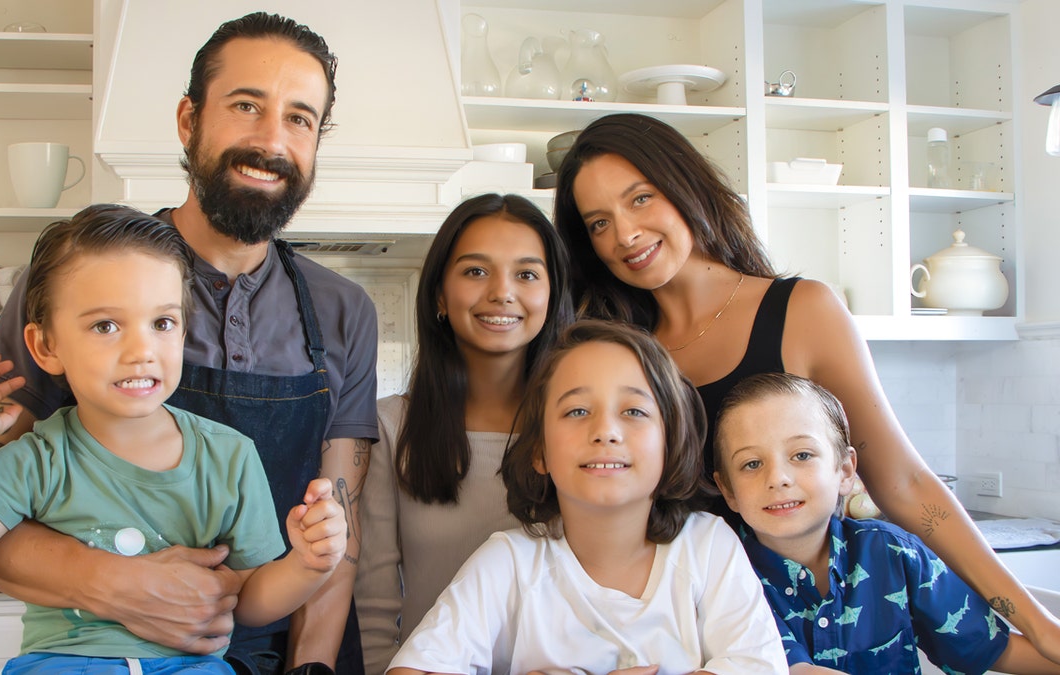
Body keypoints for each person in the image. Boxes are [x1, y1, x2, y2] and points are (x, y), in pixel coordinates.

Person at [552, 112, 1060, 661]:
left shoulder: (804, 310)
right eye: (598, 223)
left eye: (641, 198)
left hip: (816, 628)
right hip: (678, 632)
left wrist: (1040, 624)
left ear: (684, 185)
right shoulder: (615, 351)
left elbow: (906, 482)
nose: (625, 234)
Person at [0, 12, 378, 675]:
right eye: (247, 106)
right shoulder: (81, 280)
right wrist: (117, 583)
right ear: (189, 121)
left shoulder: (342, 311)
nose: (272, 140)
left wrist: (310, 669)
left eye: (300, 118)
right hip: (108, 652)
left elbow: (340, 529)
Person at [0, 205, 347, 674]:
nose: (140, 351)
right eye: (105, 326)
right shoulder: (37, 460)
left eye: (162, 323)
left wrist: (306, 566)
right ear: (46, 347)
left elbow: (247, 601)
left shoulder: (229, 456)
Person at [387, 319, 787, 675]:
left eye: (633, 411)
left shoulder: (707, 546)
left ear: (671, 444)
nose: (606, 431)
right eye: (577, 411)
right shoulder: (509, 563)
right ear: (540, 451)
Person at [354, 193, 573, 675]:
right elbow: (374, 608)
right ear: (438, 294)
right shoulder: (391, 428)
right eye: (476, 271)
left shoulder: (584, 431)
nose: (502, 292)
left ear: (553, 295)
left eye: (527, 274)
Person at [713, 372, 1060, 674]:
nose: (779, 478)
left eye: (802, 455)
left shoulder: (895, 553)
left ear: (846, 471)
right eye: (752, 464)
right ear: (727, 490)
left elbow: (991, 650)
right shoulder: (722, 575)